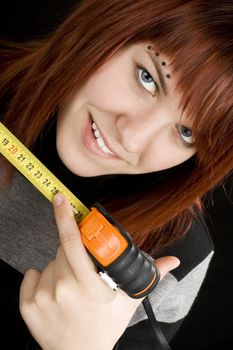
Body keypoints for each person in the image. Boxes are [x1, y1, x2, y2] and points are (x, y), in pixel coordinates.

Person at [0, 0, 232, 349]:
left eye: (187, 133)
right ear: (109, 27)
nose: (132, 137)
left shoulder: (179, 260)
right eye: (147, 78)